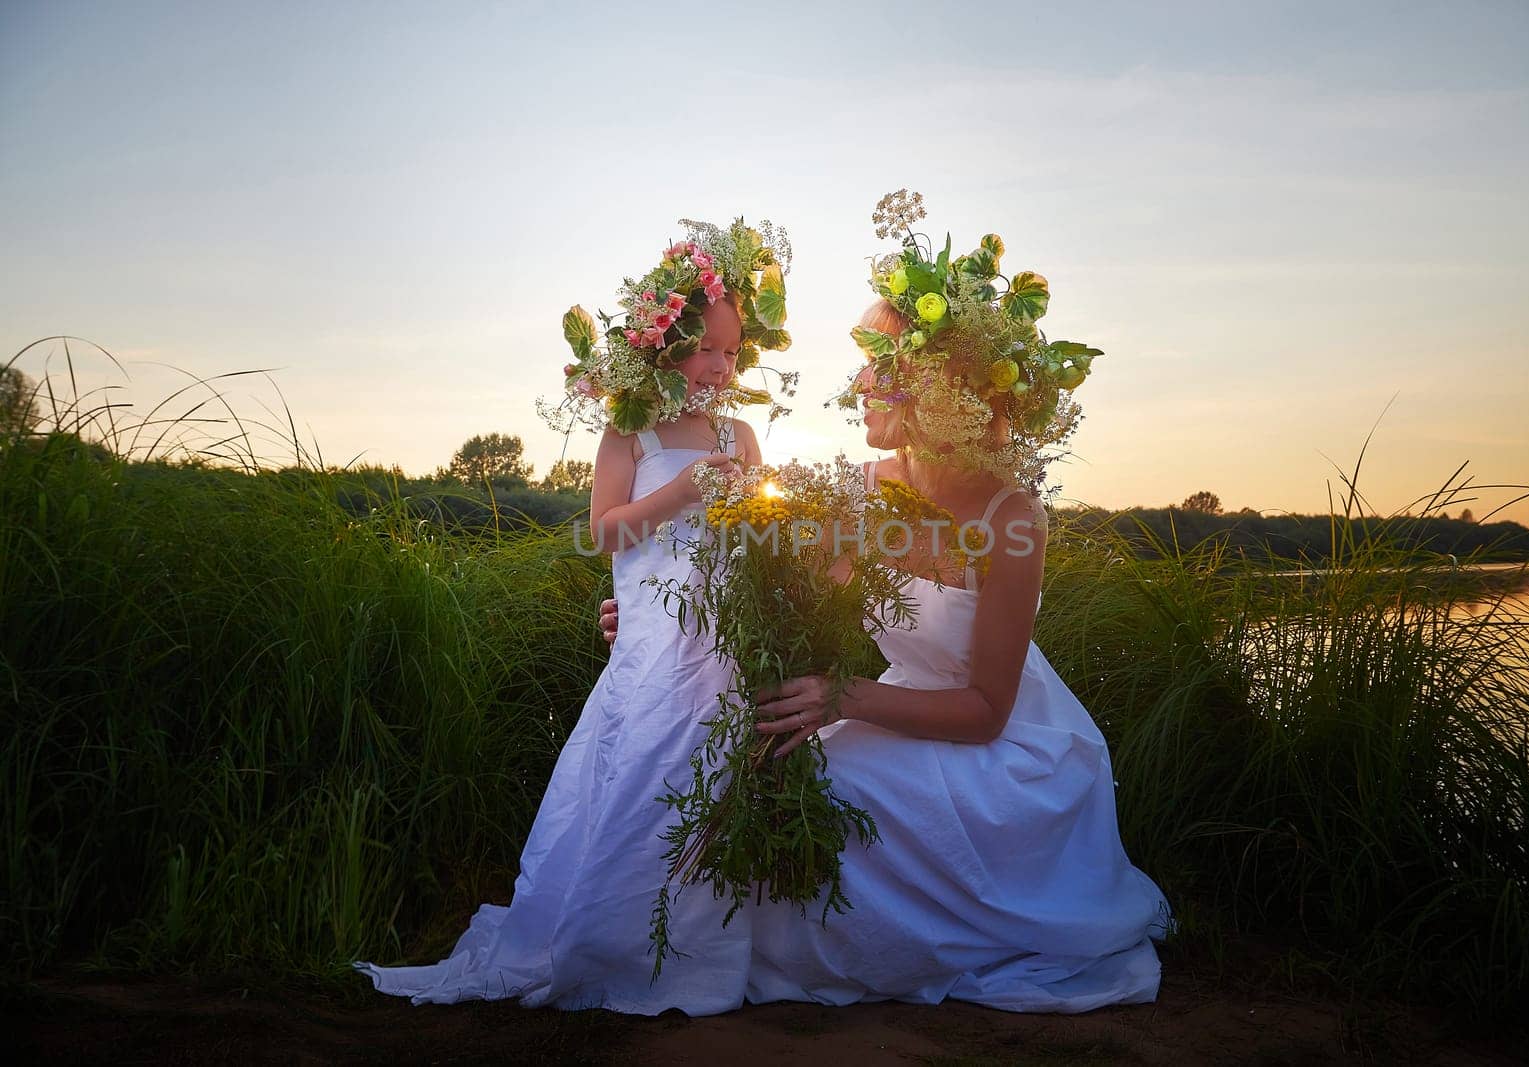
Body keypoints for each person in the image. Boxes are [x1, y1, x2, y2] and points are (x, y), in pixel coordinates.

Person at [601, 210, 1169, 1013]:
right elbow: (764, 588)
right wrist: (656, 614)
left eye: (876, 364)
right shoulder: (861, 496)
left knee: (840, 788)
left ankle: (890, 946)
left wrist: (843, 698)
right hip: (897, 708)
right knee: (779, 778)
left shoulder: (1012, 520)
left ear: (935, 386)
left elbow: (984, 711)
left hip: (1005, 748)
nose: (859, 383)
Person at [355, 219, 791, 1015]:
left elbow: (759, 543)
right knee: (640, 775)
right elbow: (605, 531)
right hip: (653, 638)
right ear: (668, 345)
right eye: (708, 351)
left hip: (721, 637)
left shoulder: (743, 435)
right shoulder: (631, 429)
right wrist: (686, 492)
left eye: (733, 352)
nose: (722, 367)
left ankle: (700, 947)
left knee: (710, 785)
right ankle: (609, 940)